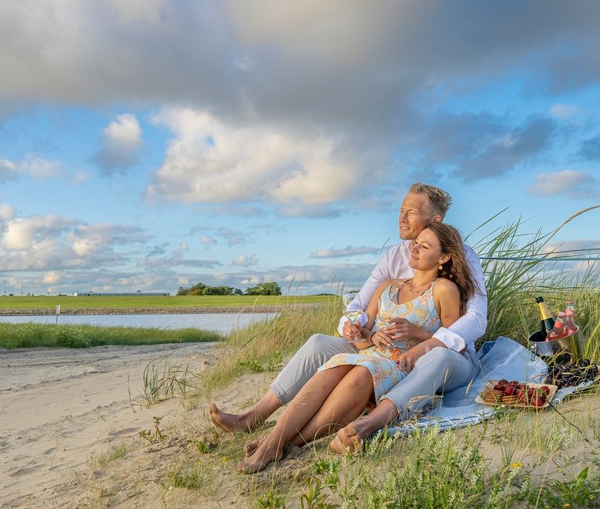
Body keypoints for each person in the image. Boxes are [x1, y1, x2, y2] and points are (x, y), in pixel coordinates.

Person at [209, 183, 488, 441]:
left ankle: (340, 427)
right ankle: (255, 416)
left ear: (435, 221)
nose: (401, 218)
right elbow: (358, 308)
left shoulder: (461, 256)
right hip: (382, 347)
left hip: (439, 354)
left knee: (434, 356)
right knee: (320, 342)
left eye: (410, 212)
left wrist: (423, 343)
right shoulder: (394, 256)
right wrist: (355, 327)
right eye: (401, 211)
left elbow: (475, 319)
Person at [238, 222, 479, 472]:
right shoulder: (388, 285)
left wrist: (417, 333)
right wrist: (369, 336)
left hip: (404, 365)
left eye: (425, 246)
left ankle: (283, 444)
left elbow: (455, 345)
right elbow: (364, 336)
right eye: (416, 243)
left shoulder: (444, 289)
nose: (415, 249)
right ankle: (274, 442)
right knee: (335, 367)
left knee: (361, 373)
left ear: (444, 257)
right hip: (370, 355)